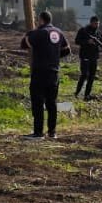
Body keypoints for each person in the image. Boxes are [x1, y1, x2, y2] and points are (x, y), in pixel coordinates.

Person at [21, 10, 71, 138]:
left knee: (37, 102)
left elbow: (24, 44)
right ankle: (52, 132)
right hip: (54, 72)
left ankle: (38, 132)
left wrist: (29, 34)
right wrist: (54, 57)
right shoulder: (58, 32)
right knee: (51, 103)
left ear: (41, 20)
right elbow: (67, 50)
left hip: (39, 72)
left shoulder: (39, 32)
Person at [74, 15, 102, 100]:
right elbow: (77, 41)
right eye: (95, 23)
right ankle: (78, 92)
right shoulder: (83, 31)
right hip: (85, 55)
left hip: (94, 57)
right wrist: (87, 41)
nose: (97, 25)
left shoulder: (98, 32)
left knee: (92, 76)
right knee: (84, 74)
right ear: (91, 23)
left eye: (98, 23)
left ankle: (87, 94)